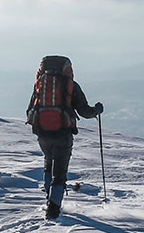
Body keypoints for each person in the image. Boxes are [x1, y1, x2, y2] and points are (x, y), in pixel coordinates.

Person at [26, 55, 103, 219]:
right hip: (62, 134)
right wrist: (97, 110)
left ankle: (49, 198)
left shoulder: (40, 85)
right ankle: (53, 209)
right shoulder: (70, 86)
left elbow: (29, 110)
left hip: (42, 133)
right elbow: (84, 111)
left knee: (48, 163)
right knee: (59, 172)